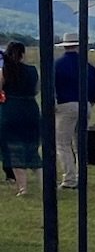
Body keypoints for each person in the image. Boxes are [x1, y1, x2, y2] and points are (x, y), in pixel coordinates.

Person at [54, 32, 95, 191]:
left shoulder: (57, 64)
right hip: (86, 104)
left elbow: (51, 86)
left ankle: (69, 179)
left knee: (62, 143)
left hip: (65, 105)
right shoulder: (88, 66)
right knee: (80, 143)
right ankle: (82, 176)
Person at [0, 40, 43, 197]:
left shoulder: (4, 71)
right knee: (32, 148)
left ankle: (23, 188)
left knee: (14, 150)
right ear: (22, 54)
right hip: (30, 109)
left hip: (11, 110)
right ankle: (45, 184)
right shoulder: (33, 71)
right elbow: (37, 90)